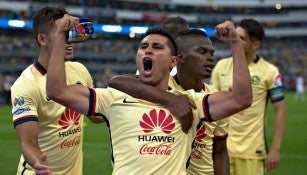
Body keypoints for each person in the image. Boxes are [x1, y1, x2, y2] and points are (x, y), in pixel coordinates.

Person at [45, 13, 251, 174]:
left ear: (173, 61)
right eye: (143, 47)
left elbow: (241, 99)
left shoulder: (192, 103)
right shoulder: (112, 98)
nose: (148, 51)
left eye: (157, 47)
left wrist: (235, 44)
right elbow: (57, 90)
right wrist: (60, 37)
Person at [11, 7, 103, 175]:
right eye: (62, 33)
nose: (69, 41)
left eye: (70, 33)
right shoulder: (26, 84)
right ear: (42, 39)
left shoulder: (80, 70)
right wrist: (38, 163)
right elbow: (28, 141)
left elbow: (95, 116)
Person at [211, 18, 286, 175]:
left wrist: (275, 149)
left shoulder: (270, 71)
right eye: (235, 35)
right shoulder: (221, 67)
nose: (235, 40)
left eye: (241, 38)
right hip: (222, 150)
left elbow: (280, 111)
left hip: (252, 151)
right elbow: (212, 105)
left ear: (256, 45)